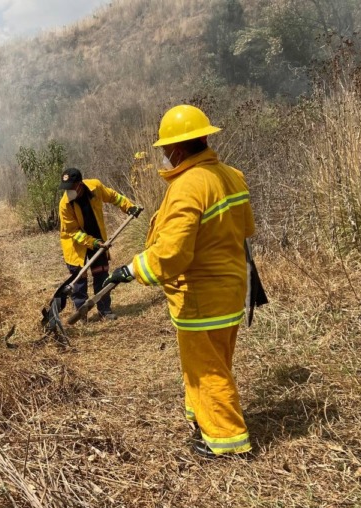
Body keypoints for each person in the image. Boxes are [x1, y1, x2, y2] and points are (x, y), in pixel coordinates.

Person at [105, 104, 255, 459]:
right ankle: (202, 422)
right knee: (212, 363)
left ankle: (228, 442)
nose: (164, 156)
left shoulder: (189, 186)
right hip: (232, 290)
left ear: (176, 149)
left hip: (201, 298)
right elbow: (245, 228)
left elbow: (171, 254)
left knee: (208, 371)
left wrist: (132, 269)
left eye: (165, 150)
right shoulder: (232, 175)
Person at [58, 168, 141, 320]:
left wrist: (129, 207)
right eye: (66, 188)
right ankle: (81, 313)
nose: (68, 191)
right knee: (79, 278)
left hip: (97, 237)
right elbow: (72, 231)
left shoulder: (95, 187)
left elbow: (114, 197)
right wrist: (93, 242)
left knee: (101, 273)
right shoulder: (65, 204)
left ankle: (105, 310)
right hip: (75, 243)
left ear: (79, 184)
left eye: (71, 187)